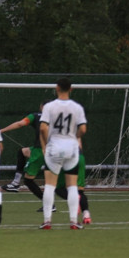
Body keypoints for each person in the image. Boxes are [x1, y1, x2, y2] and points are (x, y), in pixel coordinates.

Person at [39, 78, 87, 230]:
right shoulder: (77, 107)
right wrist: (75, 137)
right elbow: (83, 129)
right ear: (71, 89)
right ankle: (73, 221)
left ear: (57, 88)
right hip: (71, 148)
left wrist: (48, 141)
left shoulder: (49, 106)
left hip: (54, 147)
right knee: (72, 186)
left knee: (49, 185)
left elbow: (43, 128)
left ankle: (47, 221)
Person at [0, 99, 56, 213]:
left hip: (41, 150)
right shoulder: (59, 118)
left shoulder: (36, 116)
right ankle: (15, 183)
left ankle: (49, 205)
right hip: (56, 150)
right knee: (23, 151)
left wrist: (2, 130)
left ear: (41, 107)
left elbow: (20, 124)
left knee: (28, 180)